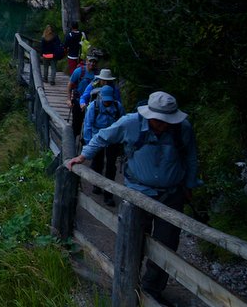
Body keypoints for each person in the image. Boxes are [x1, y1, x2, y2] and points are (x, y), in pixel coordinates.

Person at [67, 91, 199, 303]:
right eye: (159, 120)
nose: (164, 125)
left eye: (168, 121)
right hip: (137, 193)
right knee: (132, 238)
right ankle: (128, 280)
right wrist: (83, 156)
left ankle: (151, 289)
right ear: (149, 115)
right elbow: (103, 136)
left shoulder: (182, 129)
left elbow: (191, 157)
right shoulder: (131, 123)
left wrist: (190, 184)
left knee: (167, 244)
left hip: (172, 194)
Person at [81, 85, 124, 205]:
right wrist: (89, 143)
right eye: (106, 99)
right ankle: (97, 184)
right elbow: (88, 125)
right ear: (101, 97)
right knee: (97, 163)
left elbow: (123, 124)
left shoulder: (117, 107)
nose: (107, 102)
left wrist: (122, 140)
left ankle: (108, 193)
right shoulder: (93, 107)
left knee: (111, 166)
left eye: (109, 99)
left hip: (112, 140)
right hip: (97, 139)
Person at [68, 56, 99, 137]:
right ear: (86, 61)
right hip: (78, 100)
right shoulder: (79, 71)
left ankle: (84, 141)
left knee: (89, 123)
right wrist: (68, 99)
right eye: (90, 61)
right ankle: (73, 140)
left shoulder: (97, 74)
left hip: (92, 102)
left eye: (94, 62)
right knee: (76, 122)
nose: (92, 63)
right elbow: (70, 85)